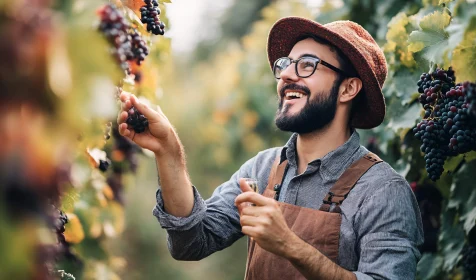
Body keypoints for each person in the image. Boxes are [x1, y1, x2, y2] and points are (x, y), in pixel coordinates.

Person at [118, 16, 424, 280]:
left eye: (307, 65)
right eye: (286, 65)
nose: (287, 75)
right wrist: (168, 152)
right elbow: (192, 242)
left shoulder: (383, 191)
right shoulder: (263, 170)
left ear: (348, 88)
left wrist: (291, 245)